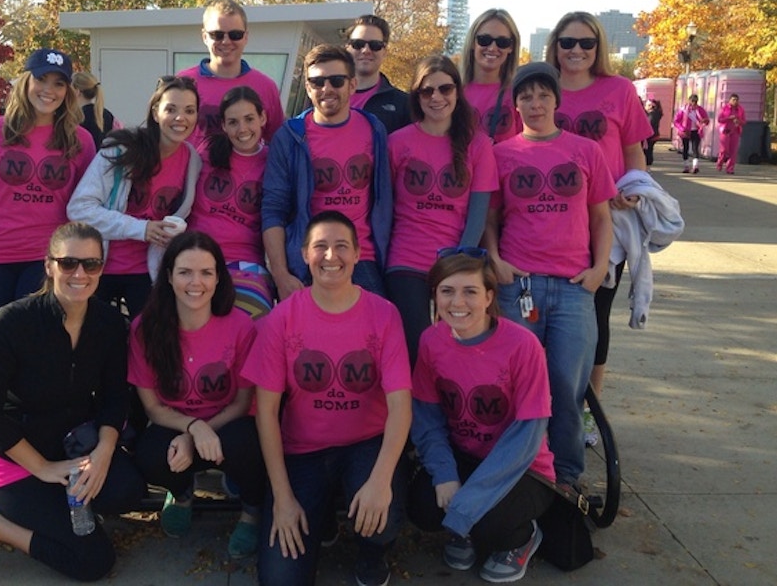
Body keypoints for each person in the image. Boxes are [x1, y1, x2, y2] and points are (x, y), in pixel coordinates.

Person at [0, 222, 146, 583]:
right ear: (49, 265)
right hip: (15, 457)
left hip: (72, 448)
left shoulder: (109, 323)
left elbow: (115, 397)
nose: (79, 273)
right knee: (92, 561)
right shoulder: (12, 322)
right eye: (68, 264)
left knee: (127, 490)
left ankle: (58, 513)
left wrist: (103, 453)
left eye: (91, 264)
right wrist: (42, 468)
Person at [242, 211, 412, 586]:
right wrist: (282, 498)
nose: (330, 256)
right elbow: (266, 413)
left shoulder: (384, 315)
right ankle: (320, 520)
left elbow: (401, 405)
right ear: (304, 254)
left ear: (357, 254)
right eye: (320, 246)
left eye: (341, 247)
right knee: (280, 579)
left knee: (380, 521)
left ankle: (372, 553)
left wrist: (381, 480)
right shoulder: (281, 319)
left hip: (365, 444)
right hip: (303, 451)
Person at [483, 62, 615, 487]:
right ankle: (516, 474)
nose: (535, 104)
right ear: (515, 103)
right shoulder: (502, 153)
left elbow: (601, 218)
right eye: (526, 96)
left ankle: (566, 479)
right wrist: (495, 260)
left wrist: (599, 270)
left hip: (573, 288)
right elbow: (490, 217)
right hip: (517, 285)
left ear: (557, 100)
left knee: (567, 388)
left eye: (543, 95)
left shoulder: (585, 151)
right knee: (516, 387)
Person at [408, 252, 554, 583]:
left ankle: (521, 538)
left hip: (522, 467)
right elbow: (427, 416)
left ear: (489, 297)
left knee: (488, 521)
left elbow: (528, 433)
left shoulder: (522, 345)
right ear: (435, 295)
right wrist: (444, 474)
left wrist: (469, 502)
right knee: (421, 506)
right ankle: (466, 529)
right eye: (446, 291)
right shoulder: (431, 341)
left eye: (470, 291)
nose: (457, 301)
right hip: (465, 456)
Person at [0, 48, 95, 403]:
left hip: (47, 262)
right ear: (24, 81)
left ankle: (25, 447)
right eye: (40, 79)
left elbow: (87, 207)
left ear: (68, 91)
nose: (48, 89)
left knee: (29, 355)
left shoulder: (80, 141)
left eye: (59, 83)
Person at [128, 231, 265, 559]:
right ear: (169, 276)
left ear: (218, 278)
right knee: (149, 454)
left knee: (249, 444)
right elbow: (152, 407)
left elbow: (243, 402)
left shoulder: (240, 327)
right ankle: (182, 493)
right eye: (185, 272)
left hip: (227, 424)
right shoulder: (145, 328)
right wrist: (191, 428)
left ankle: (251, 511)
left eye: (206, 272)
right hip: (174, 423)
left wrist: (200, 431)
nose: (196, 282)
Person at [545, 12, 652, 409]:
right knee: (545, 312)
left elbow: (633, 153)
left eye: (586, 43)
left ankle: (589, 408)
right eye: (568, 42)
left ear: (598, 48)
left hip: (604, 218)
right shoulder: (540, 88)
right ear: (555, 45)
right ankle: (545, 403)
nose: (576, 50)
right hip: (547, 217)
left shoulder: (619, 90)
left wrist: (635, 190)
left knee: (594, 312)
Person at [385, 55, 498, 365]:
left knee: (453, 350)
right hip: (405, 260)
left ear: (457, 93)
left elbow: (478, 213)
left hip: (454, 261)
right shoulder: (397, 143)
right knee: (416, 348)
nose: (436, 97)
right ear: (416, 96)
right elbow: (386, 206)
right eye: (426, 91)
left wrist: (460, 262)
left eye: (445, 89)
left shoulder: (478, 145)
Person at [262, 44, 392, 300]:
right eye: (318, 81)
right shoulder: (290, 137)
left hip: (362, 257)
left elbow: (386, 198)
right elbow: (273, 210)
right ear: (308, 88)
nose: (327, 89)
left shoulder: (373, 128)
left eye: (336, 80)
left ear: (352, 85)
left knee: (373, 332)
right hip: (308, 259)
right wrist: (281, 275)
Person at [67, 75, 202, 318]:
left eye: (189, 111)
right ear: (155, 111)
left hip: (148, 272)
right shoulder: (122, 149)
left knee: (152, 344)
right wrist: (142, 229)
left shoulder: (193, 160)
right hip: (98, 266)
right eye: (171, 109)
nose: (180, 118)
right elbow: (79, 208)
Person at [187, 86, 274, 318]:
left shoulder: (274, 161)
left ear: (263, 118)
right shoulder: (208, 151)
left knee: (253, 320)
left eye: (249, 119)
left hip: (245, 260)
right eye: (233, 122)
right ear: (224, 126)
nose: (242, 129)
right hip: (196, 251)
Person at [178, 0, 284, 150]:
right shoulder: (184, 83)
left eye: (235, 34)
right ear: (204, 37)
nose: (226, 41)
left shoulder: (266, 87)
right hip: (193, 173)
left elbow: (277, 143)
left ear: (246, 37)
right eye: (217, 34)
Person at [460, 9, 523, 143]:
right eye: (484, 40)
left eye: (502, 42)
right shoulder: (451, 92)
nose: (492, 48)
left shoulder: (519, 94)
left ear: (511, 47)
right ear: (472, 42)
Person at [345, 14, 410, 134]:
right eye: (358, 44)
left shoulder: (404, 104)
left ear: (385, 51)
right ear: (347, 48)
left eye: (375, 45)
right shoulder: (327, 94)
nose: (366, 51)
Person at [72, 71, 120, 151]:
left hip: (84, 162)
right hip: (103, 161)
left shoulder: (76, 117)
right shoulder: (107, 115)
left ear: (77, 92)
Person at [672, 94, 710, 174]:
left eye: (695, 101)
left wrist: (704, 121)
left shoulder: (700, 110)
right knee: (685, 148)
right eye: (692, 101)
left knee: (695, 149)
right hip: (685, 131)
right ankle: (686, 166)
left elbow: (706, 120)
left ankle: (695, 166)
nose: (694, 103)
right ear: (689, 101)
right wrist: (682, 128)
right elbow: (676, 121)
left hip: (696, 131)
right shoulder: (683, 110)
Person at [716, 94, 746, 174]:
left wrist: (739, 121)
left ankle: (730, 168)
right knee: (724, 149)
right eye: (733, 100)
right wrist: (728, 118)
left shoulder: (740, 109)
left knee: (733, 151)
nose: (735, 102)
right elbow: (719, 119)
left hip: (735, 131)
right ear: (729, 100)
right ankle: (720, 162)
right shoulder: (724, 108)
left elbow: (744, 121)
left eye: (736, 100)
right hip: (725, 130)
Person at [643, 99, 664, 168]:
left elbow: (649, 123)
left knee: (648, 150)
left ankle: (647, 166)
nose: (650, 107)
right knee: (648, 150)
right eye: (648, 105)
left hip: (651, 136)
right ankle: (647, 166)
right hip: (651, 135)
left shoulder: (654, 114)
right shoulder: (648, 113)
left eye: (652, 106)